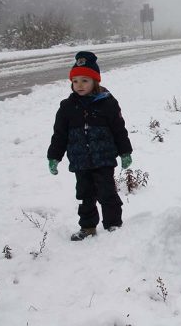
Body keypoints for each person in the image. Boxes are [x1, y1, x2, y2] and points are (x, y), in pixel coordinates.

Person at [47, 51, 133, 241]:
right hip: (80, 160)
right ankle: (87, 227)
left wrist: (125, 151)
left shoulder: (107, 103)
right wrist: (54, 156)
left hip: (104, 159)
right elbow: (59, 135)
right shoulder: (67, 107)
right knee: (85, 195)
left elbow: (119, 129)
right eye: (75, 81)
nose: (79, 85)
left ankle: (113, 224)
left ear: (95, 81)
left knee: (107, 193)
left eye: (85, 80)